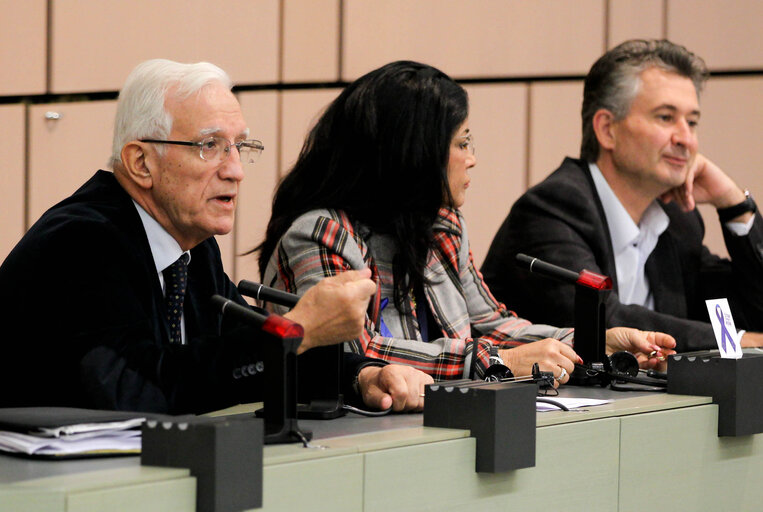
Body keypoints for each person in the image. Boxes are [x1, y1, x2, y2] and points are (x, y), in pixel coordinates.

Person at [0, 59, 431, 414]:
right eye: (210, 146)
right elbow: (141, 392)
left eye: (239, 147)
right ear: (141, 163)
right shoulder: (83, 243)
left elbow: (233, 351)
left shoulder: (190, 244)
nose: (235, 170)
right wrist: (299, 327)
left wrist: (362, 375)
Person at [256, 60, 675, 386]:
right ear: (414, 154)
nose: (472, 157)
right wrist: (496, 363)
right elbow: (356, 357)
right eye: (461, 143)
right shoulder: (321, 235)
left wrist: (592, 342)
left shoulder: (441, 227)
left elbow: (494, 324)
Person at [481, 40, 763, 353]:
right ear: (607, 130)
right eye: (666, 117)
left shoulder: (677, 221)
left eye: (692, 122)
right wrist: (735, 341)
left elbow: (742, 311)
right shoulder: (553, 209)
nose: (686, 139)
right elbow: (605, 320)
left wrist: (735, 205)